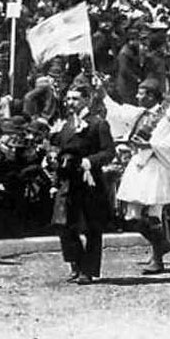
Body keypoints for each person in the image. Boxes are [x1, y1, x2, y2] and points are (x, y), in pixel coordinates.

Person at [114, 81, 170, 273]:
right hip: (139, 165)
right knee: (131, 216)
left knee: (154, 214)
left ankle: (157, 259)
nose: (138, 97)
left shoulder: (168, 119)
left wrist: (153, 146)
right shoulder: (140, 115)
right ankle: (162, 243)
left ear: (151, 96)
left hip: (157, 168)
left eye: (141, 94)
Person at [51, 84, 115, 285]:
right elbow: (60, 151)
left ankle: (87, 270)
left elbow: (108, 152)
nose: (71, 102)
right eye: (68, 98)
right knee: (63, 224)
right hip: (68, 180)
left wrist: (91, 161)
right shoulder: (66, 124)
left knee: (91, 227)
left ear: (87, 100)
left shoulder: (98, 124)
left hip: (89, 181)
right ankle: (75, 263)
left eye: (75, 99)